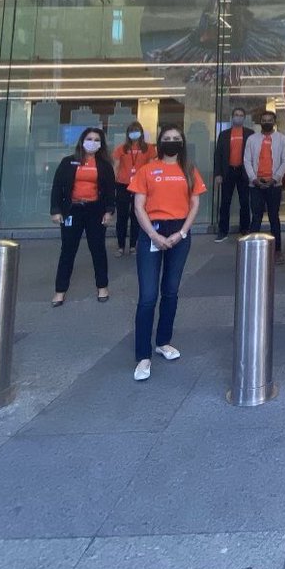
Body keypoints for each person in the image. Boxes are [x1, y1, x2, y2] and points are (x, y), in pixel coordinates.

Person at [129, 124, 207, 380]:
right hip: (152, 230)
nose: (172, 142)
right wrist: (153, 234)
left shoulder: (188, 170)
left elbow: (195, 203)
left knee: (171, 291)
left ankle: (163, 341)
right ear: (159, 142)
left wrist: (182, 232)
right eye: (167, 138)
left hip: (179, 233)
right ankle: (143, 356)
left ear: (182, 143)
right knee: (148, 296)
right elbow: (139, 205)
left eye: (176, 139)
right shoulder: (147, 170)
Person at [49, 127, 116, 306]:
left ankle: (102, 287)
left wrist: (109, 211)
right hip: (73, 210)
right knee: (68, 250)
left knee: (98, 249)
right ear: (82, 141)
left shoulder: (104, 165)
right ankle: (60, 291)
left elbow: (110, 190)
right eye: (89, 139)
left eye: (96, 140)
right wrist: (55, 210)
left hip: (96, 211)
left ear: (101, 144)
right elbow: (57, 187)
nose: (92, 143)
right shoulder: (68, 162)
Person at [243, 109, 285, 264]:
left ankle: (277, 251)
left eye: (270, 119)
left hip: (274, 184)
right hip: (255, 183)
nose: (267, 122)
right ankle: (252, 249)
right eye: (264, 120)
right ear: (260, 122)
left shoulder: (282, 139)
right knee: (255, 217)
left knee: (274, 218)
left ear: (274, 122)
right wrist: (254, 179)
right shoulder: (252, 139)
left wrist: (275, 179)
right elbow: (247, 161)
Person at [112, 120, 150, 257]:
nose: (134, 134)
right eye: (132, 131)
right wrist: (113, 183)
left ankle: (133, 245)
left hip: (140, 186)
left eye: (137, 131)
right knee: (121, 216)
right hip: (123, 185)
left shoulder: (148, 149)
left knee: (137, 216)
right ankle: (121, 246)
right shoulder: (121, 148)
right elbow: (116, 167)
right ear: (128, 134)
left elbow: (150, 167)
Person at [212, 107, 251, 241]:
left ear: (244, 118)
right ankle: (223, 231)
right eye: (236, 115)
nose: (238, 117)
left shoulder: (250, 134)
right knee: (225, 203)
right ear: (232, 117)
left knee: (245, 202)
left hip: (244, 172)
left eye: (241, 115)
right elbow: (218, 155)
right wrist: (218, 174)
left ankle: (245, 229)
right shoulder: (224, 134)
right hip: (228, 171)